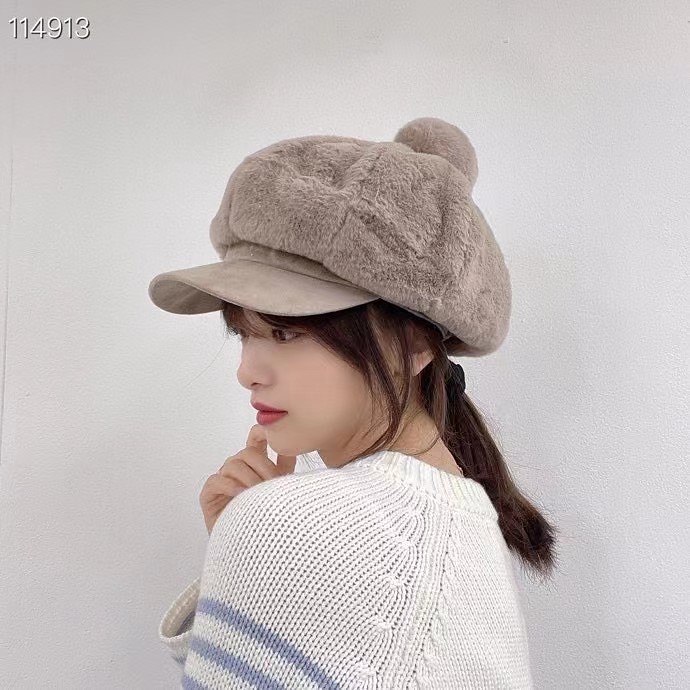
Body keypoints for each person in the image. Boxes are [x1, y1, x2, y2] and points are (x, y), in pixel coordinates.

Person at [149, 116, 558, 689]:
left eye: (284, 332)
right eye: (243, 332)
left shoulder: (287, 524)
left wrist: (259, 540)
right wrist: (245, 563)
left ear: (414, 345)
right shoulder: (468, 525)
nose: (247, 373)